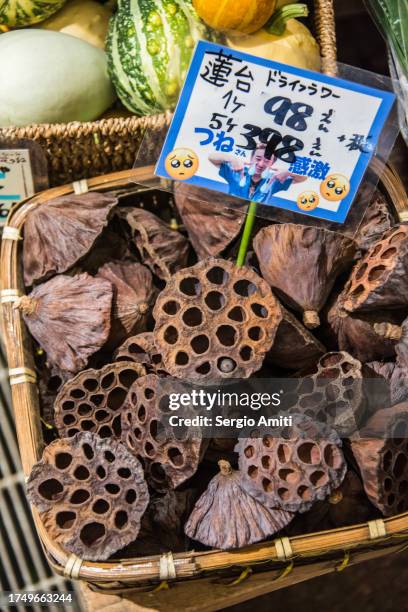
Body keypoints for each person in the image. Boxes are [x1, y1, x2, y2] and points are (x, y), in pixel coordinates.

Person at [209, 144, 306, 203]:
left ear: (272, 164)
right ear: (251, 158)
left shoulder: (274, 180)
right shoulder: (237, 171)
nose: (261, 164)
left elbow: (303, 178)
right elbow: (211, 157)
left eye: (267, 161)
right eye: (258, 159)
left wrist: (288, 173)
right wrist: (231, 159)